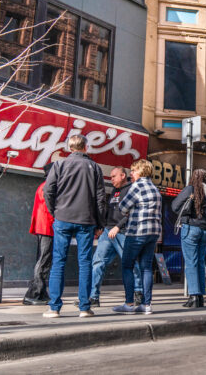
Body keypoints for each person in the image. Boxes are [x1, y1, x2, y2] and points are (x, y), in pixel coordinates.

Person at [43, 134, 106, 319]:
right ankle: (84, 308)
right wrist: (100, 222)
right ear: (86, 147)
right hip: (86, 221)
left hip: (62, 218)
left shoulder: (59, 165)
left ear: (70, 147)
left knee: (58, 262)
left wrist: (54, 211)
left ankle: (54, 307)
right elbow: (101, 198)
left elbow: (49, 190)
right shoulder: (94, 167)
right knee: (85, 262)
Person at [76, 167, 144, 307]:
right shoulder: (114, 191)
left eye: (114, 176)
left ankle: (138, 292)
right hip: (108, 232)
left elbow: (133, 212)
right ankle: (93, 297)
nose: (111, 179)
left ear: (123, 175)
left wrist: (118, 226)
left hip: (124, 232)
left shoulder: (132, 189)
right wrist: (102, 227)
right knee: (97, 262)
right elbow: (108, 211)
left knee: (130, 263)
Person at [113, 159, 162, 315]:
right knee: (146, 268)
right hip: (153, 232)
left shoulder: (137, 187)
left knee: (127, 265)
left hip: (137, 231)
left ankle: (129, 303)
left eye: (133, 171)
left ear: (140, 171)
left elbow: (122, 207)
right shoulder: (155, 189)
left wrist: (129, 209)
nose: (131, 174)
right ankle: (146, 305)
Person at [172, 169, 206, 309]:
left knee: (190, 262)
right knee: (200, 262)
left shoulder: (191, 189)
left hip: (191, 228)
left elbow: (175, 206)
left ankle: (193, 296)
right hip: (205, 231)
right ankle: (200, 297)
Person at [23, 163, 55, 305]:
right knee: (44, 260)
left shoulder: (43, 186)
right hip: (47, 227)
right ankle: (33, 293)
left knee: (43, 259)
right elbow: (49, 209)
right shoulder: (48, 187)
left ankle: (41, 292)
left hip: (43, 227)